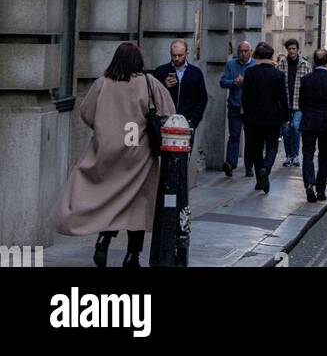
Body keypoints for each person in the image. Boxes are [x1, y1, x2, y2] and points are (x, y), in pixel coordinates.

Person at [49, 42, 174, 268]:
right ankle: (132, 257)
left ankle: (103, 240)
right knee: (138, 205)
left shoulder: (102, 83)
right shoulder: (148, 83)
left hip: (107, 151)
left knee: (110, 200)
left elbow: (87, 113)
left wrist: (105, 129)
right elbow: (168, 113)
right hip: (139, 154)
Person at [241, 41, 289, 195]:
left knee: (256, 148)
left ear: (256, 56)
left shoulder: (249, 73)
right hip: (273, 117)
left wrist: (246, 115)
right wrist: (285, 116)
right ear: (271, 56)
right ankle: (266, 168)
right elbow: (283, 98)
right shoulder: (278, 74)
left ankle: (259, 179)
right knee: (272, 147)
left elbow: (245, 98)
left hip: (253, 118)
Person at [298, 47, 327, 202]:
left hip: (309, 121)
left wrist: (308, 113)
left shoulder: (306, 79)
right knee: (324, 156)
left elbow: (301, 102)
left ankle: (309, 183)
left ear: (314, 61)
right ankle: (321, 191)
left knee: (308, 155)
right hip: (326, 123)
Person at [153, 39, 208, 145]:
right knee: (165, 153)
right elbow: (152, 96)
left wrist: (193, 121)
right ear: (170, 53)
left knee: (184, 153)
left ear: (187, 53)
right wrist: (164, 85)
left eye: (180, 55)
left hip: (187, 122)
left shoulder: (196, 73)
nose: (176, 58)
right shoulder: (161, 71)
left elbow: (202, 98)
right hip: (165, 122)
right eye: (174, 55)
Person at [219, 39, 255, 177]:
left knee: (250, 138)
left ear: (250, 52)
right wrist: (233, 82)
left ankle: (249, 166)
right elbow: (223, 82)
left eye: (246, 51)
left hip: (250, 107)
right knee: (234, 135)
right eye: (240, 51)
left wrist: (247, 81)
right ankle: (231, 163)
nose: (243, 54)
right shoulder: (231, 64)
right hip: (235, 105)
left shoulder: (255, 65)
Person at [278, 38, 309, 167]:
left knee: (295, 127)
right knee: (286, 130)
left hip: (299, 103)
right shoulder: (281, 64)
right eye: (289, 49)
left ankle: (295, 155)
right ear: (287, 49)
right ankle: (288, 156)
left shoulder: (305, 65)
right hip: (285, 103)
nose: (291, 51)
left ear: (297, 49)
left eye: (294, 49)